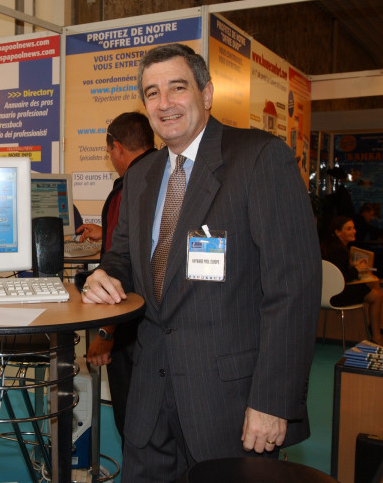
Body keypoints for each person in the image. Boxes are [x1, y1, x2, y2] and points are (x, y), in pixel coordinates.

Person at [79, 44, 320, 482]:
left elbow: (294, 290)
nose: (165, 103)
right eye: (152, 93)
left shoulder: (259, 159)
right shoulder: (141, 176)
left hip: (229, 403)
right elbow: (123, 256)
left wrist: (273, 400)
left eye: (177, 87)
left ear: (206, 94)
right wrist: (105, 275)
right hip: (149, 397)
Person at [75, 111, 156, 443]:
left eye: (110, 152)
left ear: (118, 147)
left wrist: (106, 334)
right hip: (158, 322)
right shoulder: (164, 175)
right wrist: (105, 230)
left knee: (131, 417)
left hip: (129, 328)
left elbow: (121, 276)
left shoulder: (130, 187)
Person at [321, 215, 383, 344]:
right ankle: (376, 335)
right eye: (349, 229)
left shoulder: (330, 246)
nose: (354, 231)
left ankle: (376, 332)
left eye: (353, 228)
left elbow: (338, 271)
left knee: (373, 287)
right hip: (338, 295)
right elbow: (343, 277)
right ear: (338, 232)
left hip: (325, 294)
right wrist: (357, 270)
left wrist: (354, 267)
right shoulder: (339, 250)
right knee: (377, 295)